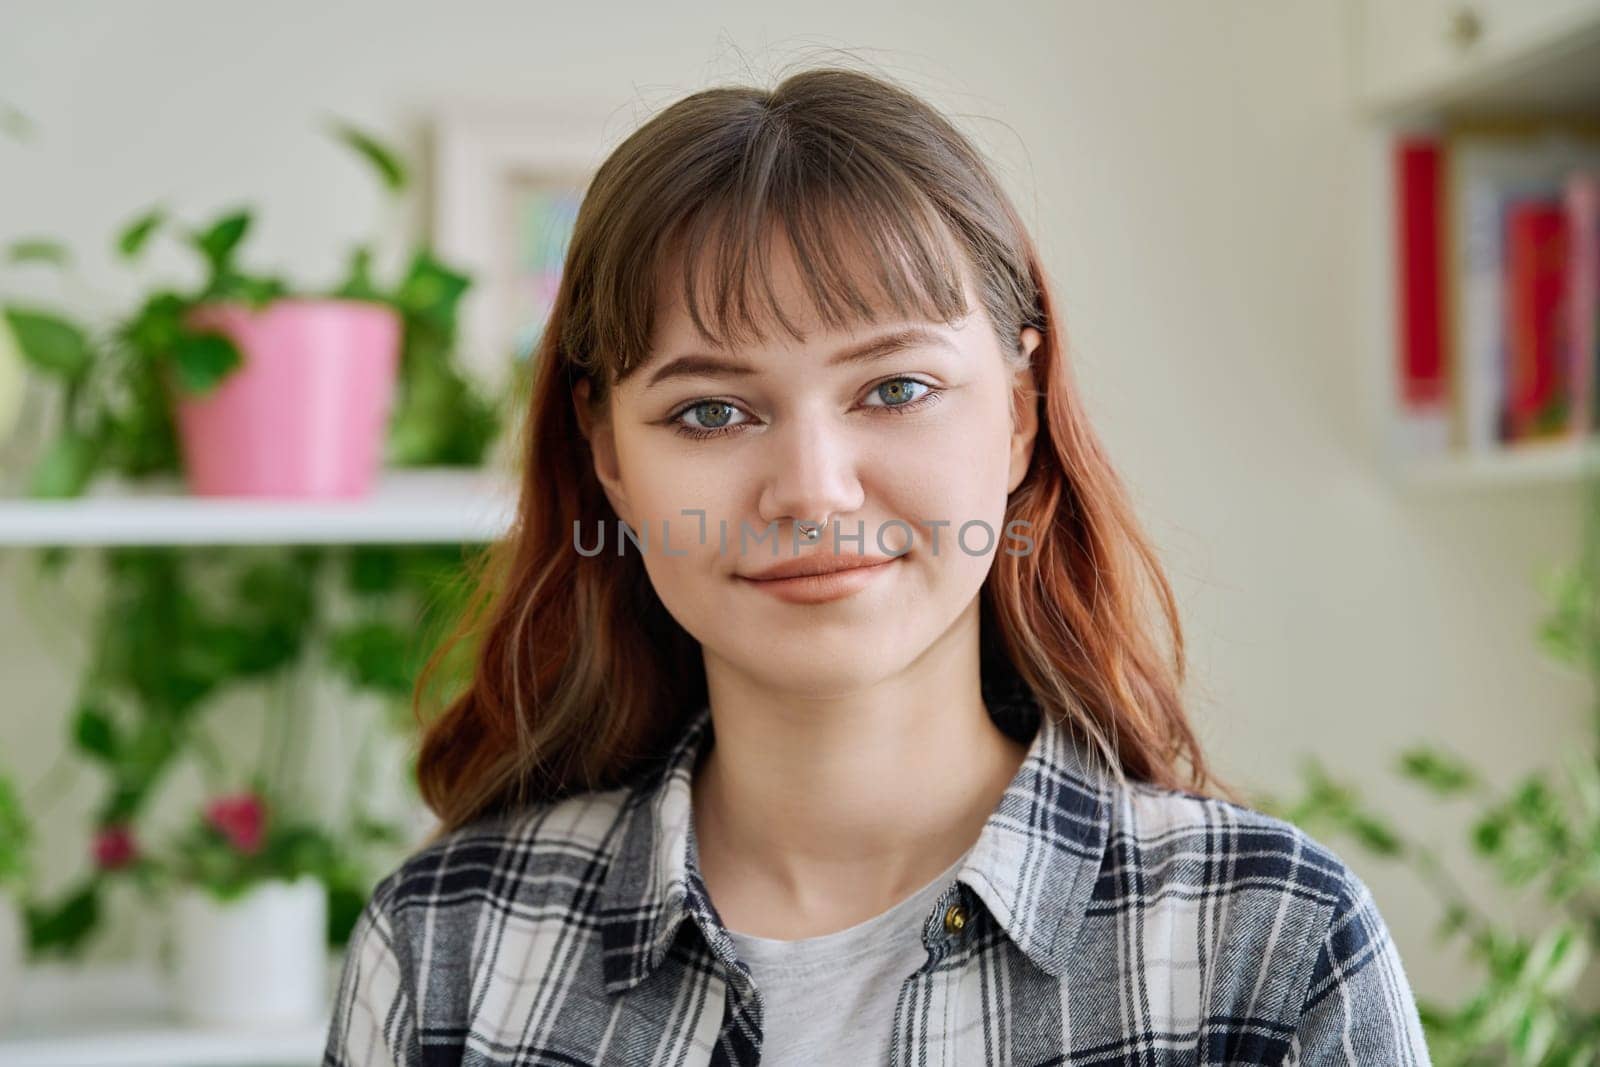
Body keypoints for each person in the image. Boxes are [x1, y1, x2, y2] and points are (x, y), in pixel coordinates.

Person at [323, 64, 1432, 1066]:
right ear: (609, 453)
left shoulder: (1272, 945)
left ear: (1019, 414)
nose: (812, 487)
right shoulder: (445, 949)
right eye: (709, 410)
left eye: (894, 389)